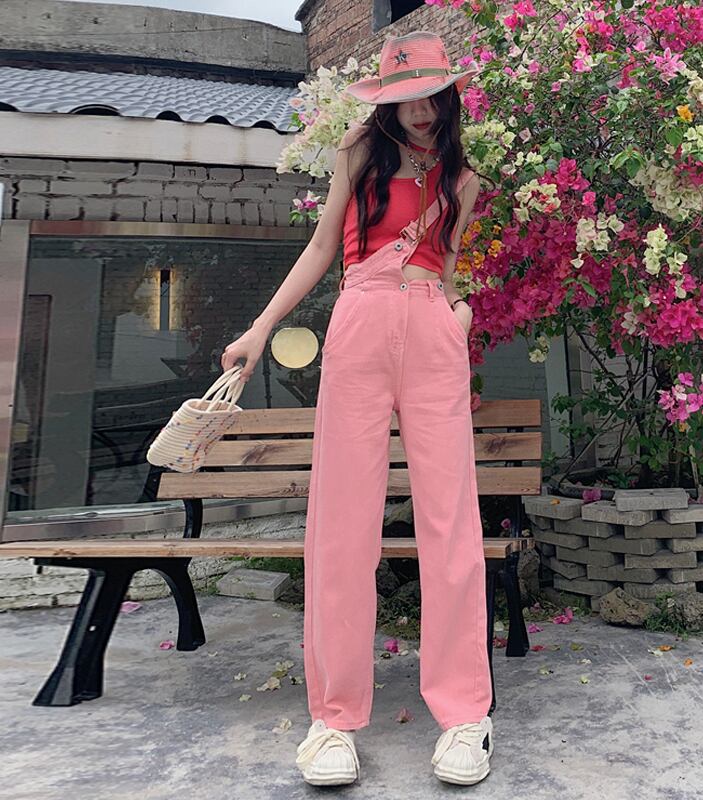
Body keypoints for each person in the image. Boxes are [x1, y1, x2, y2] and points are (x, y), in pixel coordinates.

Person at [220, 30, 494, 787]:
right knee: (342, 525)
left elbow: (448, 267)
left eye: (432, 95)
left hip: (432, 332)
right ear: (387, 102)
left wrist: (458, 315)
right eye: (407, 97)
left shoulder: (463, 179)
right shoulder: (358, 154)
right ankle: (333, 719)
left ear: (447, 97)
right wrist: (260, 329)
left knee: (450, 521)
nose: (421, 110)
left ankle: (465, 714)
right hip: (361, 321)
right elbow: (320, 250)